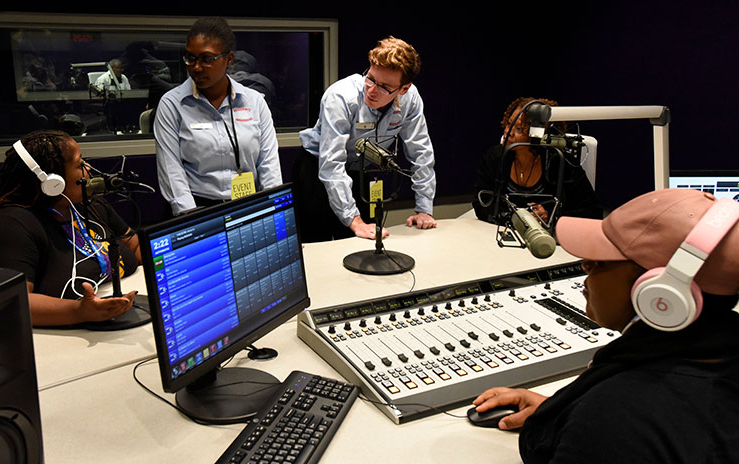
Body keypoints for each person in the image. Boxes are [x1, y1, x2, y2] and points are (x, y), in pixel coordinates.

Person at [472, 189, 739, 463]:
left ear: (661, 294)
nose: (585, 265)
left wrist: (592, 421)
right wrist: (565, 409)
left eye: (601, 261)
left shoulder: (614, 422)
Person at [0, 130, 140, 327]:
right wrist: (79, 312)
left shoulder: (91, 206)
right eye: (79, 164)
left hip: (118, 321)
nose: (88, 168)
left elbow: (136, 250)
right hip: (57, 339)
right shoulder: (11, 225)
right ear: (52, 181)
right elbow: (14, 302)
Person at [296, 36, 437, 242]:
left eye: (384, 87)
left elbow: (421, 152)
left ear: (404, 88)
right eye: (370, 78)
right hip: (316, 169)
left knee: (360, 243)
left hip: (360, 171)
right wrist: (354, 220)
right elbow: (331, 164)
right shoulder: (341, 97)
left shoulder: (411, 99)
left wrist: (424, 209)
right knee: (318, 245)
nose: (371, 90)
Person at [154, 17, 282, 215]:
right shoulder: (172, 104)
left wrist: (273, 210)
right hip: (197, 208)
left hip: (248, 205)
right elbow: (172, 172)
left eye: (207, 59)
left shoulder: (254, 102)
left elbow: (269, 165)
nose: (196, 67)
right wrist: (193, 220)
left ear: (229, 59)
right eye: (190, 58)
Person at [473, 97, 602, 225]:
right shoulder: (494, 157)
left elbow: (592, 212)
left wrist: (550, 216)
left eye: (519, 129)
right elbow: (481, 203)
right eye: (509, 123)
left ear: (539, 134)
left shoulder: (561, 163)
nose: (508, 132)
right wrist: (512, 218)